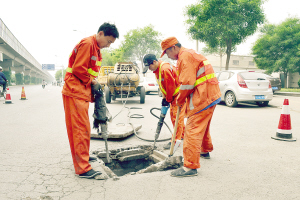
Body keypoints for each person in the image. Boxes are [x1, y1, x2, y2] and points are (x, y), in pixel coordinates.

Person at [62, 22, 119, 179]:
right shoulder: (88, 44)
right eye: (108, 41)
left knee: (83, 128)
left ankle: (83, 156)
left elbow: (89, 71)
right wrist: (93, 82)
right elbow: (79, 69)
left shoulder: (96, 48)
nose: (108, 45)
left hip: (80, 91)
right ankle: (83, 168)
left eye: (111, 43)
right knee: (80, 129)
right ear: (100, 34)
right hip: (75, 90)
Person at [160, 37, 221, 177]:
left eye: (167, 52)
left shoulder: (184, 56)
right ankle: (204, 150)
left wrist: (179, 100)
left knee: (192, 130)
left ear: (174, 47)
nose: (168, 56)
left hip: (204, 97)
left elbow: (187, 83)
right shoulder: (189, 53)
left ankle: (190, 167)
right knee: (203, 126)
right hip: (211, 94)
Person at [142, 54, 185, 149]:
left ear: (154, 62)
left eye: (149, 66)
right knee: (175, 117)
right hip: (172, 96)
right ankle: (182, 135)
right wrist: (164, 97)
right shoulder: (157, 70)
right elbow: (164, 85)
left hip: (178, 96)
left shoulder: (164, 69)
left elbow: (171, 87)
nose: (149, 69)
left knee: (176, 118)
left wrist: (168, 99)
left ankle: (175, 141)